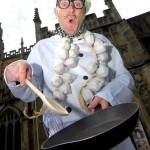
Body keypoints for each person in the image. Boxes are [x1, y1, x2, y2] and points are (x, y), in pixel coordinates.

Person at [4, 0, 136, 149]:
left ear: (83, 12)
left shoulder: (101, 41)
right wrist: (13, 74)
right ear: (56, 12)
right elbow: (29, 92)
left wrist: (109, 95)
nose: (72, 9)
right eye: (65, 4)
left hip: (112, 134)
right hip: (66, 141)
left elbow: (124, 77)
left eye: (78, 4)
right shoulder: (42, 48)